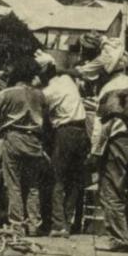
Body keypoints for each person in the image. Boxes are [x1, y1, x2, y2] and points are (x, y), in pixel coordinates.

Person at [0, 58, 48, 235]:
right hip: (35, 141)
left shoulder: (9, 93)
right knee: (33, 185)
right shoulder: (40, 95)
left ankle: (17, 224)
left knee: (14, 184)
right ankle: (34, 223)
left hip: (14, 138)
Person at [86, 53, 128, 252]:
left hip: (117, 141)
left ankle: (119, 237)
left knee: (111, 189)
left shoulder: (109, 89)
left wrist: (95, 152)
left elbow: (102, 126)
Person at [36, 50, 90, 238]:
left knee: (56, 178)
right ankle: (67, 220)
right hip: (82, 130)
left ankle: (58, 224)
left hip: (65, 132)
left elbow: (41, 115)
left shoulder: (49, 92)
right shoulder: (67, 80)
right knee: (74, 180)